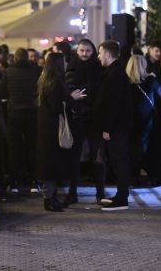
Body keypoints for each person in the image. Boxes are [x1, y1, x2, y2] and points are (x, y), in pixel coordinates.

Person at [37, 52, 86, 212]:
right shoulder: (54, 83)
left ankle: (51, 197)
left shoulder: (46, 80)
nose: (66, 65)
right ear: (58, 64)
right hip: (53, 128)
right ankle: (49, 199)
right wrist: (72, 97)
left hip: (49, 127)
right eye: (64, 62)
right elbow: (57, 106)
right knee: (51, 164)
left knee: (51, 163)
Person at [65, 38, 105, 206]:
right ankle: (73, 192)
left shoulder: (98, 68)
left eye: (88, 51)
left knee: (98, 156)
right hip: (78, 117)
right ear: (77, 51)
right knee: (74, 157)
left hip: (95, 117)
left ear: (93, 51)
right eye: (82, 50)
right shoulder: (72, 66)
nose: (84, 54)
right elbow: (68, 88)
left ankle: (100, 192)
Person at [95, 40, 133, 211]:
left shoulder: (115, 74)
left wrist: (107, 128)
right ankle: (120, 195)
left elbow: (113, 105)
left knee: (120, 162)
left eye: (100, 53)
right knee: (118, 162)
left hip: (116, 128)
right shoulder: (114, 72)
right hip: (117, 127)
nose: (98, 56)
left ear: (108, 54)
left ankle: (122, 198)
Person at [0, 48, 41, 193]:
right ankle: (34, 179)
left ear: (15, 58)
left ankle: (15, 180)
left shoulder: (8, 72)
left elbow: (2, 92)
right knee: (32, 146)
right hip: (32, 111)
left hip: (14, 112)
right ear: (27, 58)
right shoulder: (35, 71)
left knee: (14, 147)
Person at [126, 55, 161, 186]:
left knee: (133, 149)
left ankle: (133, 177)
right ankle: (154, 177)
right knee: (150, 148)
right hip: (148, 121)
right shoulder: (152, 81)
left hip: (131, 122)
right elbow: (159, 99)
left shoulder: (125, 84)